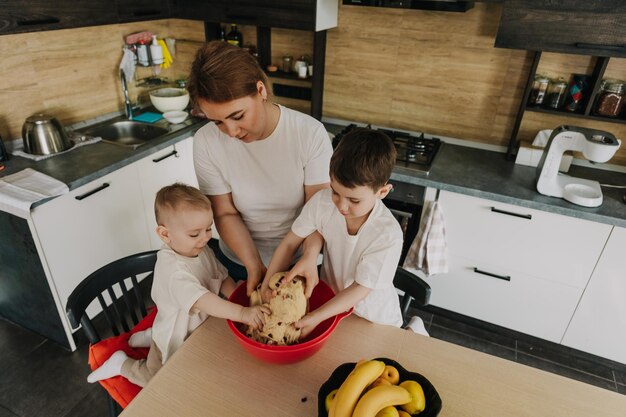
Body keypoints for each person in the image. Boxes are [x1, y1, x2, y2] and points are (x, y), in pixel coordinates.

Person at [188, 41, 333, 298]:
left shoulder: (309, 134)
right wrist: (254, 265)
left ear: (260, 90)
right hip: (239, 262)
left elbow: (318, 210)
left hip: (300, 261)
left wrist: (311, 255)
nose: (231, 132)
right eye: (218, 122)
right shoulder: (206, 142)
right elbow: (225, 213)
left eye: (237, 116)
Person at [86, 183, 269, 387]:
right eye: (195, 233)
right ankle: (122, 364)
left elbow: (221, 275)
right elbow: (203, 300)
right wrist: (242, 313)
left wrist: (239, 295)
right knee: (157, 380)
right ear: (165, 234)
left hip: (196, 327)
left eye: (208, 228)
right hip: (177, 335)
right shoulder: (173, 271)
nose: (206, 237)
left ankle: (150, 336)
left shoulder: (200, 249)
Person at [262, 128, 404, 338]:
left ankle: (414, 328)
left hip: (372, 319)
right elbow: (291, 243)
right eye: (335, 192)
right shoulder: (322, 202)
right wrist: (266, 285)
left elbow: (360, 289)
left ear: (382, 192)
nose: (342, 206)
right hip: (330, 305)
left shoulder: (388, 234)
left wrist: (315, 317)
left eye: (354, 200)